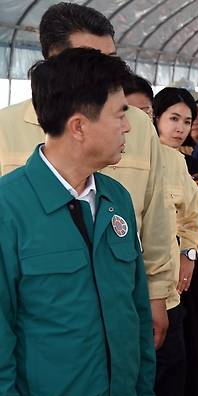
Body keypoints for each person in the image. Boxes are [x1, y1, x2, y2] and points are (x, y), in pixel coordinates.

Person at [0, 1, 175, 353]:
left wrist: (156, 294)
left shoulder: (137, 126)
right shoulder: (5, 130)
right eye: (91, 58)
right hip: (42, 325)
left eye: (111, 58)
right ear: (54, 59)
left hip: (119, 304)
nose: (106, 71)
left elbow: (158, 212)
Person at [0, 47, 156, 396]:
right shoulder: (9, 209)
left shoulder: (115, 198)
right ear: (79, 126)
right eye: (120, 113)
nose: (128, 126)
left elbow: (134, 310)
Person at [151, 87, 198, 396]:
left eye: (187, 121)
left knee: (173, 370)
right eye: (173, 118)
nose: (180, 128)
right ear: (155, 119)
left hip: (175, 287)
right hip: (144, 286)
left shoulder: (178, 162)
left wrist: (189, 254)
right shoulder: (129, 158)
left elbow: (194, 216)